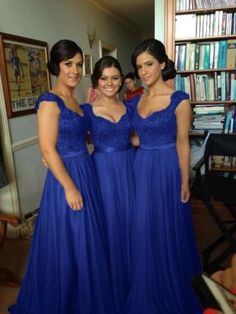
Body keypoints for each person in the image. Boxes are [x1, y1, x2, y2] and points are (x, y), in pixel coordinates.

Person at [9, 40, 115, 314]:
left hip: (86, 170)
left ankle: (86, 295)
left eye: (79, 64)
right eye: (69, 64)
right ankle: (66, 301)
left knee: (88, 237)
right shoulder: (48, 101)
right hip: (66, 177)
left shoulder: (77, 102)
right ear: (56, 66)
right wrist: (69, 187)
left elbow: (86, 135)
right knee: (70, 239)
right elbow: (47, 148)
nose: (75, 70)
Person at [126, 38, 202, 314]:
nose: (143, 71)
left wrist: (184, 179)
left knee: (167, 224)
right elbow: (133, 137)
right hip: (142, 166)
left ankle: (171, 283)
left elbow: (183, 142)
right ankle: (147, 283)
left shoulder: (179, 100)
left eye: (148, 64)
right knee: (143, 226)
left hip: (168, 166)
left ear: (162, 64)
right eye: (139, 67)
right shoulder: (135, 101)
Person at [82, 56, 135, 314]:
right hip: (100, 171)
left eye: (115, 78)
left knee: (132, 223)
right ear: (96, 81)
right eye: (104, 78)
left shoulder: (131, 108)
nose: (110, 83)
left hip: (129, 168)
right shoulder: (86, 110)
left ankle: (134, 280)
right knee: (107, 225)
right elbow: (70, 138)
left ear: (122, 80)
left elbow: (138, 138)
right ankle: (109, 282)